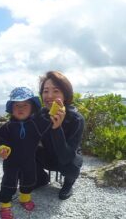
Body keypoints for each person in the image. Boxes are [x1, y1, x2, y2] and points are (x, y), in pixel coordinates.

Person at [0, 87, 65, 219]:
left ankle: (25, 198)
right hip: (11, 162)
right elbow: (0, 140)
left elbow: (50, 118)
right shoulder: (7, 127)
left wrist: (57, 107)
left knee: (29, 179)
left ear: (32, 108)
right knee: (8, 182)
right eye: (17, 105)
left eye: (25, 105)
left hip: (29, 160)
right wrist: (2, 148)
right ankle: (4, 204)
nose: (21, 108)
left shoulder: (35, 125)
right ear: (11, 108)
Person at [34, 71, 85, 200]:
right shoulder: (40, 115)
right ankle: (41, 179)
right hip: (48, 155)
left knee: (73, 163)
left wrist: (57, 129)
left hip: (67, 159)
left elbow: (66, 157)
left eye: (56, 91)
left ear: (65, 95)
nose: (49, 96)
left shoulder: (76, 119)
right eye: (45, 91)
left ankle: (68, 184)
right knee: (24, 151)